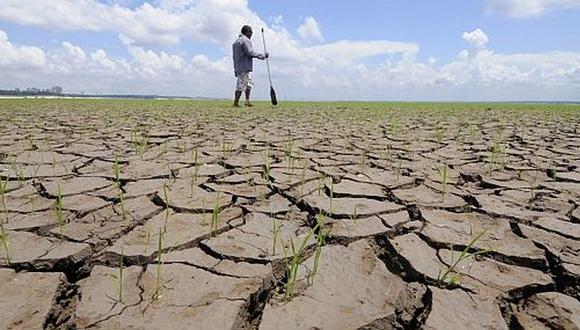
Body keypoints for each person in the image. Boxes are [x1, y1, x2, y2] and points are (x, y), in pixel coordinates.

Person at [232, 25, 269, 107]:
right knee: (241, 85)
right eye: (251, 32)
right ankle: (236, 102)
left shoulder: (236, 42)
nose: (251, 34)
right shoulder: (245, 40)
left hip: (239, 66)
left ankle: (247, 101)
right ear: (247, 32)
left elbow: (234, 57)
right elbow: (250, 52)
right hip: (244, 67)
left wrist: (235, 68)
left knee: (249, 84)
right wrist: (262, 55)